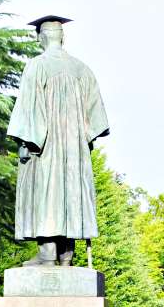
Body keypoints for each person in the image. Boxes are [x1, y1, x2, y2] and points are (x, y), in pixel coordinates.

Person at [7, 14, 110, 267]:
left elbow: (30, 110)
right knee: (70, 194)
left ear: (41, 37)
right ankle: (66, 256)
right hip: (74, 152)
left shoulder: (37, 65)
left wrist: (24, 142)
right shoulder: (82, 69)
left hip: (46, 146)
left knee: (47, 192)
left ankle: (47, 255)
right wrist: (81, 141)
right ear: (63, 37)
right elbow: (96, 121)